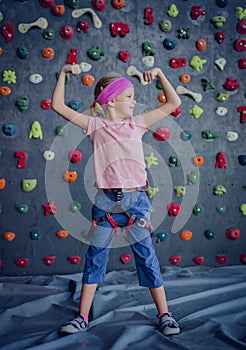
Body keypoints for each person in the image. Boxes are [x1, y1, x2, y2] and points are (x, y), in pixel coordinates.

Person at [51, 64, 182, 337]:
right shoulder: (95, 126)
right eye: (130, 96)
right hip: (106, 203)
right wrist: (63, 74)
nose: (135, 102)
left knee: (146, 257)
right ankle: (82, 317)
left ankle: (165, 315)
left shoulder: (138, 124)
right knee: (95, 257)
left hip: (136, 202)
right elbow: (58, 106)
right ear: (111, 100)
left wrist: (158, 74)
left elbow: (174, 102)